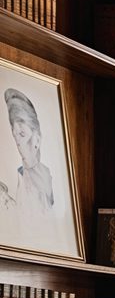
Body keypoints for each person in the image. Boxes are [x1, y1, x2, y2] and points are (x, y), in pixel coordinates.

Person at [0, 85, 77, 257]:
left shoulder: (46, 179)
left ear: (37, 139)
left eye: (22, 134)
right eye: (14, 134)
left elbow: (38, 225)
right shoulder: (20, 176)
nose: (17, 142)